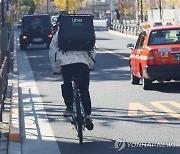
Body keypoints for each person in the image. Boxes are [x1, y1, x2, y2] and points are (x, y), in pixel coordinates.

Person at [49, 32, 96, 130]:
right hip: (83, 64)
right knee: (84, 90)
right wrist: (90, 64)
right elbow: (91, 48)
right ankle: (87, 115)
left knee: (67, 84)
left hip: (66, 64)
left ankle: (69, 108)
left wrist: (56, 69)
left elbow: (53, 51)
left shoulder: (59, 34)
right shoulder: (85, 31)